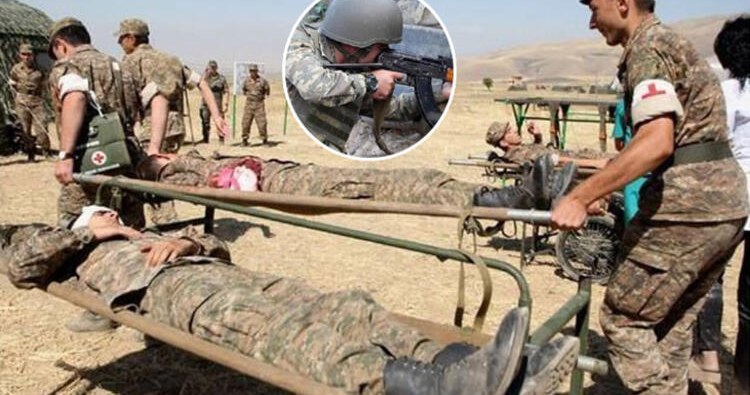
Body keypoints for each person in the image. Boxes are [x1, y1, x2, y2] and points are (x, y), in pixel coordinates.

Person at [1, 206, 581, 395]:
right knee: (285, 334)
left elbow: (217, 248)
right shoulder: (81, 247)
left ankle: (462, 363)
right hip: (172, 294)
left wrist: (187, 241)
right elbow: (21, 266)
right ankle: (422, 387)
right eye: (102, 211)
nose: (112, 214)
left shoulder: (146, 232)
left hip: (219, 274)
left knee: (347, 305)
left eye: (110, 211)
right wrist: (87, 233)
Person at [551, 0, 749, 395]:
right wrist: (602, 185)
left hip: (690, 205)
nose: (591, 22)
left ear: (623, 1)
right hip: (723, 204)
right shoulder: (669, 44)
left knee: (623, 318)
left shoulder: (648, 47)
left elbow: (656, 142)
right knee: (670, 324)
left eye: (594, 9)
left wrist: (581, 197)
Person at [136, 150, 577, 210]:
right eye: (156, 158)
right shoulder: (175, 171)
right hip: (291, 187)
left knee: (417, 174)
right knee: (390, 188)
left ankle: (508, 194)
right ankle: (501, 201)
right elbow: (213, 187)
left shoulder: (192, 157)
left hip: (298, 173)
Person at [285, 0, 439, 154]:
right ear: (356, 44)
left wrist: (439, 94)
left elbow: (395, 109)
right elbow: (315, 88)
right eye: (382, 47)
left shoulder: (352, 76)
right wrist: (371, 82)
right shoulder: (299, 43)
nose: (384, 55)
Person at [116, 18, 228, 224]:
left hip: (153, 128)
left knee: (153, 179)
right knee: (167, 175)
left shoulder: (130, 62)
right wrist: (217, 116)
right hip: (176, 127)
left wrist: (148, 142)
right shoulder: (171, 59)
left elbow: (134, 102)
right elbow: (202, 83)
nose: (119, 43)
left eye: (121, 38)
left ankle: (168, 226)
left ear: (131, 38)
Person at [690, 15, 750, 393]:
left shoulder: (726, 93)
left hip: (730, 196)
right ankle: (744, 380)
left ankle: (708, 357)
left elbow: (710, 146)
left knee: (710, 276)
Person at [46, 17, 145, 230]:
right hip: (125, 158)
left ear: (60, 45)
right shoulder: (119, 65)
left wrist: (65, 155)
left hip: (88, 163)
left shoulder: (67, 66)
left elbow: (75, 97)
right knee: (132, 230)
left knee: (76, 229)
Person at [485, 120, 610, 169]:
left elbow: (537, 151)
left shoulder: (519, 150)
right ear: (503, 142)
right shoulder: (519, 155)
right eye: (509, 132)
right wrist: (594, 163)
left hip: (579, 156)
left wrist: (537, 136)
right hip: (582, 160)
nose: (516, 130)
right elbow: (556, 161)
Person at [9, 43, 50, 160]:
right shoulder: (16, 69)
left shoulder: (39, 70)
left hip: (37, 101)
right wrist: (17, 97)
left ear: (33, 55)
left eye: (29, 54)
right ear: (19, 55)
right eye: (24, 54)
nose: (26, 57)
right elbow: (12, 84)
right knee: (25, 129)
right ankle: (30, 153)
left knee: (42, 127)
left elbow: (45, 85)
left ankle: (46, 151)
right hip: (22, 101)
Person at [611, 99, 647, 224]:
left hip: (633, 173)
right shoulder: (664, 102)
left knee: (633, 221)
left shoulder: (624, 106)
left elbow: (619, 144)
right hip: (658, 170)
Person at [200, 60, 229, 144]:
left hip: (217, 103)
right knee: (205, 121)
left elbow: (227, 91)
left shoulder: (221, 78)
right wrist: (205, 73)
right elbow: (199, 85)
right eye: (211, 67)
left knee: (220, 121)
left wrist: (226, 103)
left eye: (214, 67)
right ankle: (205, 139)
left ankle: (221, 138)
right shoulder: (205, 78)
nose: (212, 69)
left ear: (216, 68)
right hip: (206, 103)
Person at [241, 63, 270, 146]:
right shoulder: (246, 81)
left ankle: (264, 140)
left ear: (257, 71)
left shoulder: (263, 81)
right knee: (245, 123)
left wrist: (260, 97)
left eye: (254, 71)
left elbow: (267, 91)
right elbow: (244, 90)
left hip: (259, 105)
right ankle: (245, 140)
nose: (252, 72)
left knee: (262, 123)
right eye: (251, 71)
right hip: (249, 105)